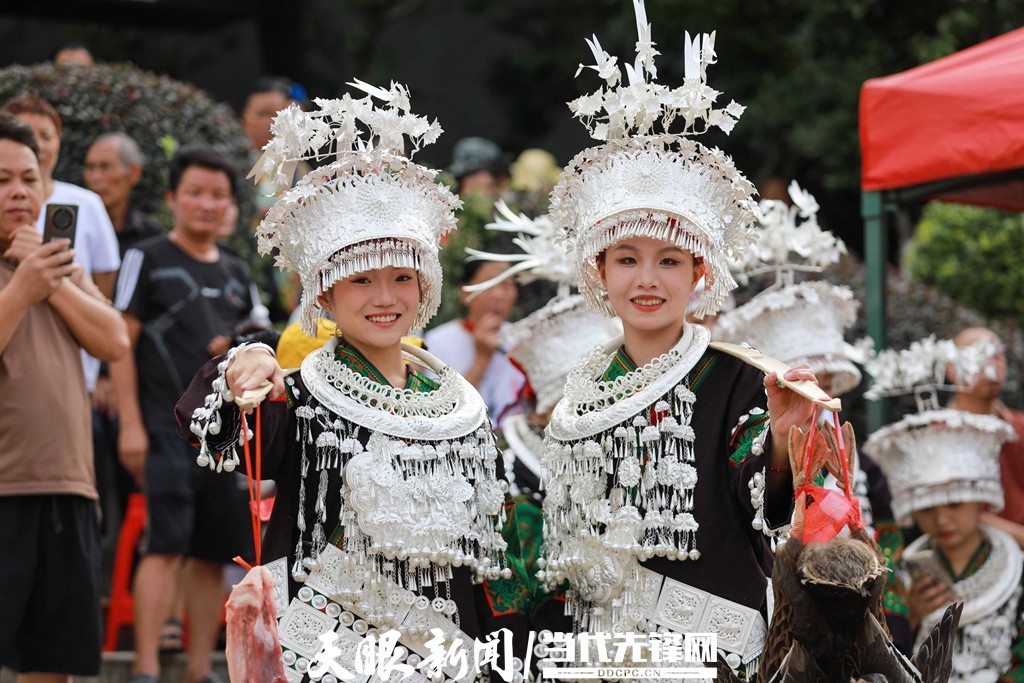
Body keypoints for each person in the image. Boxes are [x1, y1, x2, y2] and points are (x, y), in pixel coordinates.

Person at [177, 83, 530, 680]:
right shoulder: (301, 391)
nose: (385, 298)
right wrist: (243, 364)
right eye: (361, 280)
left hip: (445, 648)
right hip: (329, 649)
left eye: (401, 277)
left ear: (426, 287)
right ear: (326, 292)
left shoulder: (461, 407)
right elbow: (223, 435)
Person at [535, 10, 818, 679]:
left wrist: (781, 439)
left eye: (669, 260)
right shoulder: (583, 383)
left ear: (699, 272)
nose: (647, 279)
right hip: (602, 645)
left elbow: (766, 501)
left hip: (709, 644)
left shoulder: (737, 378)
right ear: (600, 272)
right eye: (627, 258)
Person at [109, 148, 255, 683]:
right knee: (165, 543)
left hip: (223, 437)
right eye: (195, 192)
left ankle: (199, 669)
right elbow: (118, 344)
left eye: (219, 195)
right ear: (171, 198)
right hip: (162, 427)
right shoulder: (145, 258)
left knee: (213, 554)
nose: (207, 204)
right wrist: (128, 424)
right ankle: (146, 667)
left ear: (232, 209)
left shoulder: (240, 274)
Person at [0, 112, 129, 683]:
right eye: (2, 180)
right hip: (4, 487)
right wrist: (23, 288)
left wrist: (47, 280)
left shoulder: (58, 262)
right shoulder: (35, 271)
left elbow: (114, 340)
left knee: (53, 664)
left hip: (69, 484)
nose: (20, 192)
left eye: (29, 177)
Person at [867, 339, 1022, 682]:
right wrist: (910, 618)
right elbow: (882, 662)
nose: (941, 520)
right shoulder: (899, 578)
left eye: (955, 504)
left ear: (981, 500)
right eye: (926, 509)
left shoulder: (1019, 573)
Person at [3, 96, 120, 298]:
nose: (37, 146)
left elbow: (108, 311)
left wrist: (49, 267)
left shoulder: (87, 203)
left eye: (46, 136)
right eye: (3, 180)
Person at [424, 258, 525, 427]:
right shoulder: (438, 341)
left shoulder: (523, 337)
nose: (498, 295)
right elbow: (442, 411)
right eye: (488, 284)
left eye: (506, 286)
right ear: (464, 293)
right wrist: (482, 358)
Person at [947, 327, 1024, 538]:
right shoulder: (939, 436)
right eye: (979, 355)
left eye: (997, 356)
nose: (991, 365)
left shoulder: (1019, 426)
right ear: (952, 369)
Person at [84, 132, 162, 255]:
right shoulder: (77, 229)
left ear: (134, 173)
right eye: (90, 168)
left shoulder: (149, 235)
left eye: (105, 167)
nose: (95, 177)